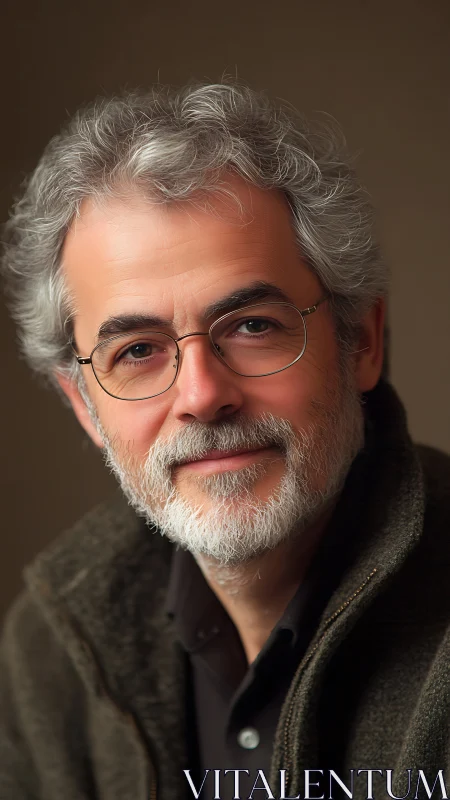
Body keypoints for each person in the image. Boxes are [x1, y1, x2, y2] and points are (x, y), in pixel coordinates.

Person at [0, 81, 448, 800]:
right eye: (138, 351)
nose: (203, 396)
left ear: (360, 341)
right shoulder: (48, 654)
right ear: (85, 406)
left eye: (253, 326)